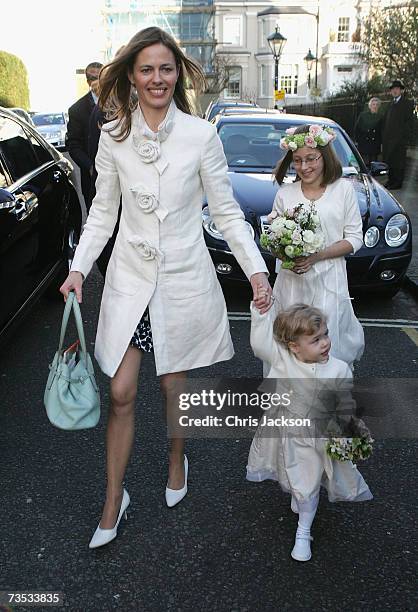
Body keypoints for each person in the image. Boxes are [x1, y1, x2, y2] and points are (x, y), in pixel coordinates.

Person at [59, 26, 272, 549]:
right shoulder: (113, 137)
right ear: (132, 75)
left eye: (166, 68)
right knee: (120, 391)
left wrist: (256, 269)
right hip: (130, 282)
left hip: (179, 282)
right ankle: (114, 500)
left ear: (178, 74)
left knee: (173, 390)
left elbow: (224, 211)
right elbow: (103, 212)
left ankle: (177, 455)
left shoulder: (202, 136)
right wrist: (79, 267)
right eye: (147, 68)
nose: (157, 78)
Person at [247, 303, 373, 562]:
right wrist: (260, 312)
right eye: (316, 339)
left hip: (320, 434)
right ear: (295, 346)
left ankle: (303, 531)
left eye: (326, 334)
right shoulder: (283, 360)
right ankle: (302, 497)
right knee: (290, 473)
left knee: (309, 482)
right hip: (287, 431)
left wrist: (351, 427)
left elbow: (345, 401)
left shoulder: (338, 368)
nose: (325, 343)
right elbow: (260, 344)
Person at [271, 124, 365, 369]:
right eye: (298, 160)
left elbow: (355, 238)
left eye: (311, 159)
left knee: (325, 344)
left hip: (329, 282)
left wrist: (317, 256)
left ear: (325, 156)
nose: (304, 167)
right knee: (292, 345)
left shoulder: (343, 190)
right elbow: (274, 238)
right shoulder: (285, 194)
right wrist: (283, 249)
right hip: (292, 284)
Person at [67, 61, 103, 210]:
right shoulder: (77, 110)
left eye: (100, 76)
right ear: (87, 81)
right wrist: (90, 167)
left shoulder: (122, 102)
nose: (96, 81)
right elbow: (74, 145)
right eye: (92, 78)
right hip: (93, 180)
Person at [382, 80, 414, 190]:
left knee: (399, 162)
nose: (395, 91)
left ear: (400, 90)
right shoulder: (390, 104)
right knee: (390, 161)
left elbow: (409, 122)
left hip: (400, 140)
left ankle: (397, 182)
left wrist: (404, 137)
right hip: (389, 139)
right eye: (393, 89)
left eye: (397, 89)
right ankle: (391, 180)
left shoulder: (406, 104)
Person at [354, 97, 382, 166]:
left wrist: (381, 143)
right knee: (364, 166)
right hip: (364, 145)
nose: (375, 106)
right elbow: (357, 129)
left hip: (375, 145)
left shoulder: (381, 117)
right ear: (370, 106)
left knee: (374, 166)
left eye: (376, 105)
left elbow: (382, 131)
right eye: (373, 104)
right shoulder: (363, 115)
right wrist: (358, 140)